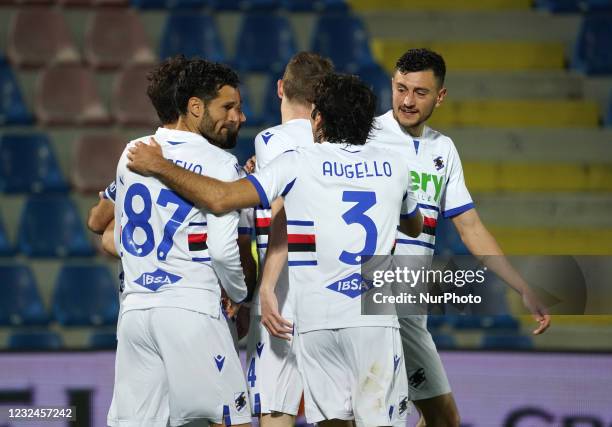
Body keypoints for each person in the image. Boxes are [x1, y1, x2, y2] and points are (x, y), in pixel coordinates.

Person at [126, 72, 424, 427]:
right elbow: (414, 225)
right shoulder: (396, 166)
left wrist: (159, 165)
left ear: (319, 118)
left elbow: (220, 198)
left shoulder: (296, 162)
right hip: (373, 316)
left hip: (317, 322)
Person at [370, 48, 551, 427]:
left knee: (441, 418)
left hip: (412, 303)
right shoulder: (367, 137)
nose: (406, 100)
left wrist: (521, 286)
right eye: (401, 88)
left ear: (441, 95)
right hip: (376, 294)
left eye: (420, 92)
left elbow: (470, 228)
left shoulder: (443, 149)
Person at [107, 58, 252, 427]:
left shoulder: (132, 152)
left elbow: (120, 237)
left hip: (136, 312)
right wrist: (239, 295)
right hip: (191, 309)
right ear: (195, 107)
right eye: (228, 107)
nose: (238, 117)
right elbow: (223, 250)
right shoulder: (221, 164)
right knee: (228, 419)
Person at [247, 51, 334, 426]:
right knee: (339, 412)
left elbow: (284, 206)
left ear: (280, 88)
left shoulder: (270, 139)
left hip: (286, 291)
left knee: (276, 412)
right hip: (336, 290)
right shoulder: (350, 144)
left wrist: (265, 286)